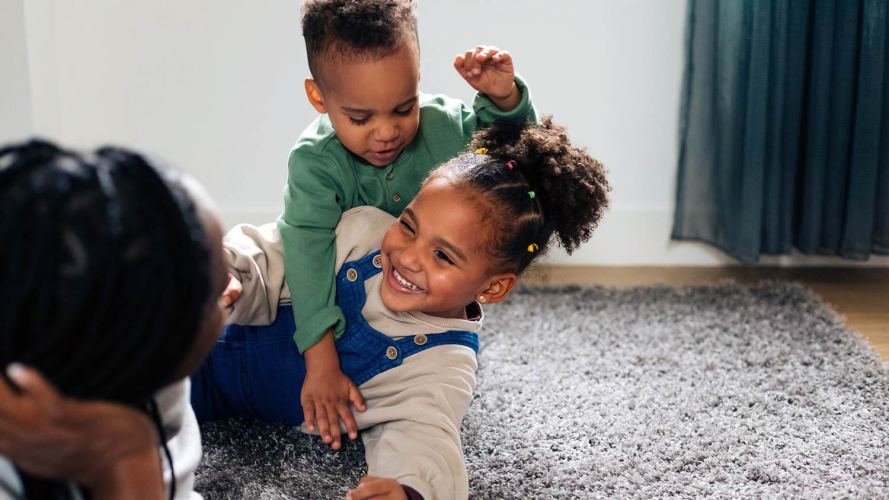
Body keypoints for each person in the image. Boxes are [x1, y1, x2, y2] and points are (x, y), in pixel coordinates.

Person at [194, 118, 610, 499]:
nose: (408, 256)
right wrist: (229, 269)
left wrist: (407, 489)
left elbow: (425, 435)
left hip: (211, 397)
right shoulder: (362, 232)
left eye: (443, 256)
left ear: (493, 287)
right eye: (409, 225)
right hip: (198, 321)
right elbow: (277, 250)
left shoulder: (444, 362)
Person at [282, 0, 538, 450]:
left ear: (418, 78)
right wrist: (321, 361)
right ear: (318, 98)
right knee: (278, 255)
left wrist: (505, 100)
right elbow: (305, 255)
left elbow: (517, 165)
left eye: (404, 108)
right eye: (360, 118)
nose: (386, 132)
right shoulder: (315, 162)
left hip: (426, 306)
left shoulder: (449, 127)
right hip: (351, 296)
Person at [0, 140, 234, 499]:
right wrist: (122, 456)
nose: (232, 280)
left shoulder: (156, 382)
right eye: (217, 291)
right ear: (157, 338)